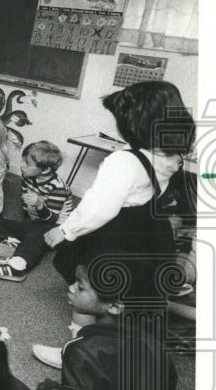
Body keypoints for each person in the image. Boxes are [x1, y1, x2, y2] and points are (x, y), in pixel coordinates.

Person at [36, 81, 194, 367]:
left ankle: (77, 353)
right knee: (127, 295)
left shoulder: (123, 160)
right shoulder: (170, 155)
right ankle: (114, 345)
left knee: (86, 284)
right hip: (146, 232)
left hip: (115, 233)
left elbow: (100, 207)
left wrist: (64, 230)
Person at [19, 252, 184, 390]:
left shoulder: (80, 351)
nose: (71, 288)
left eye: (80, 287)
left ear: (115, 306)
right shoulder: (156, 347)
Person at [0, 140, 75, 282]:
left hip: (56, 229)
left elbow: (52, 220)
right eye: (22, 160)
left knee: (38, 233)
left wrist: (40, 205)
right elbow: (24, 201)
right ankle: (14, 243)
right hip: (36, 222)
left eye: (27, 163)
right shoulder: (27, 176)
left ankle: (17, 267)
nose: (21, 165)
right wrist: (26, 221)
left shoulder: (58, 188)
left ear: (45, 170)